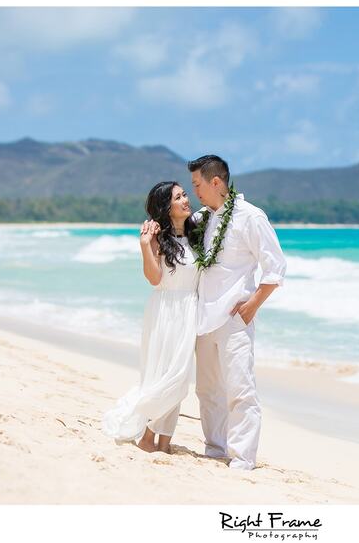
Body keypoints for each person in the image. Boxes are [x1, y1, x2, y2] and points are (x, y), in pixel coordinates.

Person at [188, 154, 286, 470]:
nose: (195, 191)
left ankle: (243, 456)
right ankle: (215, 447)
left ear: (216, 182)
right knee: (207, 389)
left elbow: (276, 266)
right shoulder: (202, 218)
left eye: (198, 184)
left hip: (234, 316)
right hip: (204, 317)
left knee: (240, 388)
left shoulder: (250, 217)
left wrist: (253, 304)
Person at [101, 181, 199, 454]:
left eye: (184, 194)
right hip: (165, 311)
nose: (185, 200)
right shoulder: (157, 238)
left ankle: (163, 442)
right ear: (166, 207)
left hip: (190, 309)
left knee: (178, 379)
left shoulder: (197, 234)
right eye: (178, 197)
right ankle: (147, 437)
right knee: (164, 376)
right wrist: (145, 244)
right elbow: (154, 278)